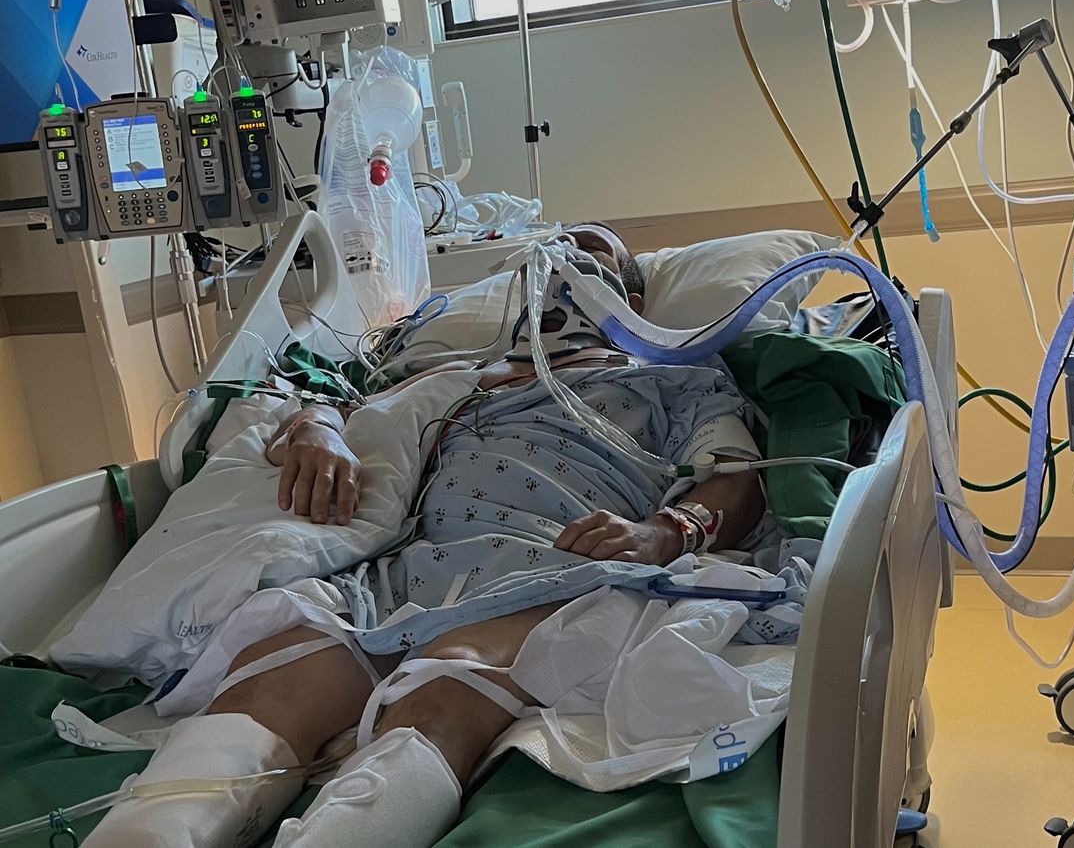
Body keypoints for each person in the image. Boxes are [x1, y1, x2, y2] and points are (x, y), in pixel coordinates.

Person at [84, 224, 769, 848]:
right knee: (274, 679)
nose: (566, 264)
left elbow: (738, 478)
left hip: (559, 570)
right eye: (556, 253)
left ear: (633, 302)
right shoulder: (460, 376)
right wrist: (320, 432)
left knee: (448, 685)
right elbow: (338, 409)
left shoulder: (678, 379)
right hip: (407, 573)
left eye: (591, 256)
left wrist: (665, 533)